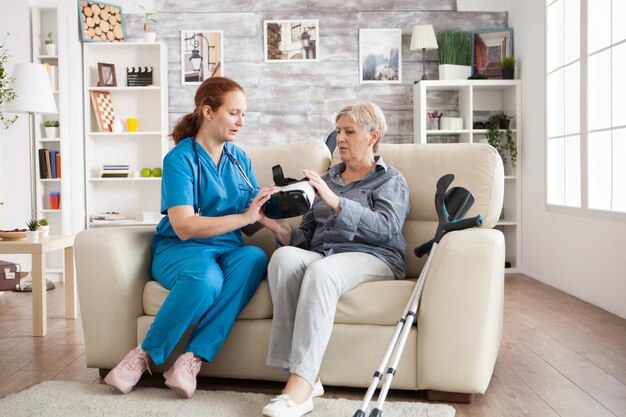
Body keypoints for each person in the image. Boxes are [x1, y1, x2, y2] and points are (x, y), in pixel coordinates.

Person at [104, 77, 275, 398]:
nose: (241, 122)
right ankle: (142, 356)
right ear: (208, 111)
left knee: (254, 257)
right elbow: (183, 225)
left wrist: (269, 215)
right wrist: (242, 217)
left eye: (244, 114)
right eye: (234, 113)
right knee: (205, 279)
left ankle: (190, 359)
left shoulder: (240, 160)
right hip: (181, 249)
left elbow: (248, 223)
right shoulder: (179, 160)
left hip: (228, 248)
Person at [258, 102, 410, 417]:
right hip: (325, 253)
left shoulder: (390, 180)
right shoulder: (329, 178)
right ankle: (307, 378)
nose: (340, 138)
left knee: (321, 272)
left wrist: (336, 201)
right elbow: (307, 239)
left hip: (375, 256)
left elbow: (386, 228)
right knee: (284, 259)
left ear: (373, 136)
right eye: (338, 131)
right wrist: (279, 228)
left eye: (349, 131)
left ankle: (298, 391)